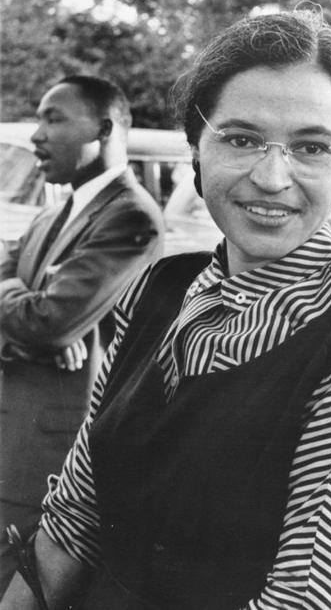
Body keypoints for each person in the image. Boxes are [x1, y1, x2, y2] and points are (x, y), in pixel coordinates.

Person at [0, 11, 331, 610]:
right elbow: (75, 518)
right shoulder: (164, 289)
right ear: (197, 150)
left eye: (311, 147)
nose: (271, 176)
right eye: (241, 138)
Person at [0, 75, 165, 595]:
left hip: (44, 462)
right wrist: (25, 311)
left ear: (105, 128)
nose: (36, 136)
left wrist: (16, 295)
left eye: (54, 118)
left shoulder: (131, 217)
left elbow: (48, 324)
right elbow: (41, 324)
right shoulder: (54, 211)